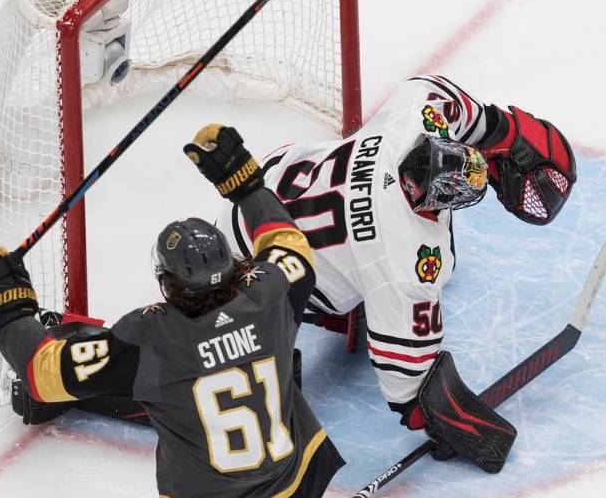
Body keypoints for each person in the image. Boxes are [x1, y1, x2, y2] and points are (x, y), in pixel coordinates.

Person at [0, 124, 368, 498]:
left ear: (166, 282)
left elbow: (46, 375)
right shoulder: (271, 296)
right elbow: (289, 247)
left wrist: (12, 308)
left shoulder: (149, 340)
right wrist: (243, 183)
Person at [216, 74, 576, 471]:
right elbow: (410, 392)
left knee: (378, 263)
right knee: (366, 285)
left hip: (264, 186)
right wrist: (465, 431)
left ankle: (348, 279)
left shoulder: (413, 117)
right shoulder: (404, 263)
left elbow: (440, 93)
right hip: (248, 267)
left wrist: (501, 131)